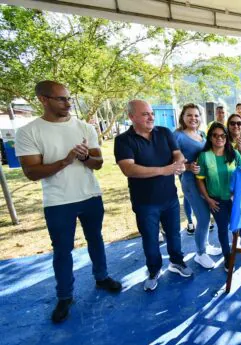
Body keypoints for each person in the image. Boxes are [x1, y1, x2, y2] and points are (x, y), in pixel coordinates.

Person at [15, 81, 122, 323]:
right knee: (63, 250)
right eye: (61, 99)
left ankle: (102, 276)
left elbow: (98, 163)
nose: (68, 103)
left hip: (90, 196)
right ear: (43, 100)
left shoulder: (84, 127)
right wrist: (65, 160)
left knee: (96, 239)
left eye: (68, 98)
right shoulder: (29, 132)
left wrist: (85, 157)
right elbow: (31, 172)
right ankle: (65, 296)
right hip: (58, 201)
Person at [114, 99, 193, 292]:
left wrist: (179, 162)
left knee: (174, 235)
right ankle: (154, 270)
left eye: (151, 113)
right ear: (132, 117)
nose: (151, 117)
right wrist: (164, 170)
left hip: (170, 198)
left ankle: (176, 262)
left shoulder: (164, 132)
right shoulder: (123, 140)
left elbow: (178, 154)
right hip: (145, 202)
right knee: (150, 239)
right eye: (145, 114)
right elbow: (129, 169)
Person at [196, 123, 241, 271]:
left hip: (235, 199)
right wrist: (208, 199)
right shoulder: (204, 156)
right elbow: (200, 179)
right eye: (215, 135)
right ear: (210, 137)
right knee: (223, 229)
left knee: (240, 225)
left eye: (222, 135)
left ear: (226, 137)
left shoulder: (234, 154)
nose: (219, 138)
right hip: (216, 201)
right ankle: (227, 256)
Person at [174, 103, 222, 269]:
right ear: (183, 117)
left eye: (196, 115)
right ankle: (200, 254)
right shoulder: (178, 136)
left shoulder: (201, 134)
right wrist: (187, 167)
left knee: (206, 216)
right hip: (190, 182)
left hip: (204, 181)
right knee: (202, 217)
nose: (193, 118)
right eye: (189, 115)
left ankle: (206, 245)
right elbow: (171, 161)